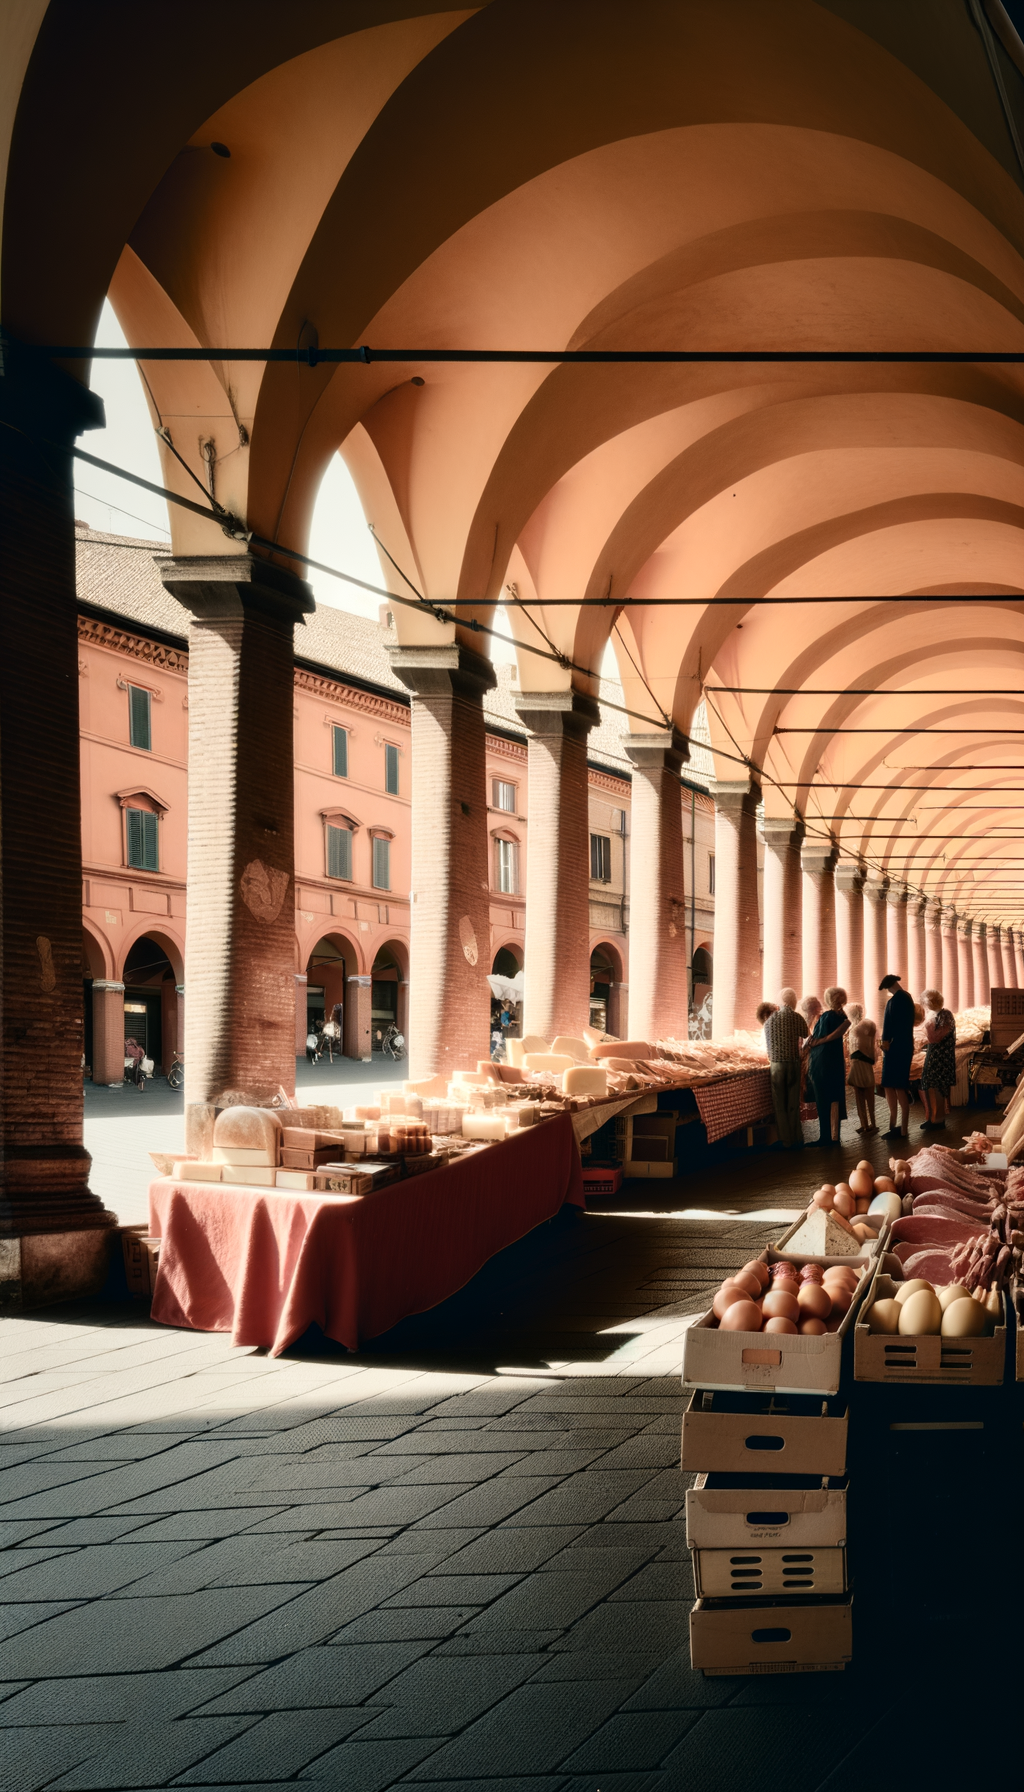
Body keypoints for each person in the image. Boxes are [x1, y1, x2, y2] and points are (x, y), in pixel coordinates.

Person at [803, 985, 850, 1146]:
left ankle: (825, 1137)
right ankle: (835, 1135)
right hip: (836, 1061)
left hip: (822, 1062)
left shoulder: (827, 1017)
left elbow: (815, 1039)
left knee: (822, 1099)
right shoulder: (844, 1016)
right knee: (835, 1098)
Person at [763, 988, 807, 1149]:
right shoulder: (796, 1017)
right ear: (794, 1001)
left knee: (779, 1104)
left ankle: (786, 1141)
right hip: (792, 1063)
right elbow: (805, 1033)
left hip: (776, 1065)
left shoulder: (770, 1021)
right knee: (793, 1102)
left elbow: (767, 1043)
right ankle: (797, 1138)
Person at [879, 972, 916, 1140]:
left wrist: (884, 1043)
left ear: (890, 986)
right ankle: (904, 1129)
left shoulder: (893, 1002)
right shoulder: (908, 998)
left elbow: (887, 1026)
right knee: (901, 1084)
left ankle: (893, 1125)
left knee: (890, 1085)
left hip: (894, 1048)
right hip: (906, 1046)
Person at [920, 987, 956, 1130]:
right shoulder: (935, 1015)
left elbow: (935, 1038)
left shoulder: (945, 1014)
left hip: (942, 1057)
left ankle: (938, 1120)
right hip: (934, 1054)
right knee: (930, 1085)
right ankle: (932, 1118)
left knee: (938, 1087)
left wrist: (928, 1024)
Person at [846, 1002, 879, 1136]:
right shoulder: (869, 1025)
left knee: (860, 1097)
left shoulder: (854, 1028)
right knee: (869, 1096)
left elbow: (853, 1048)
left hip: (857, 1062)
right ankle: (870, 1124)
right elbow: (871, 1046)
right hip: (865, 1063)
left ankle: (865, 1124)